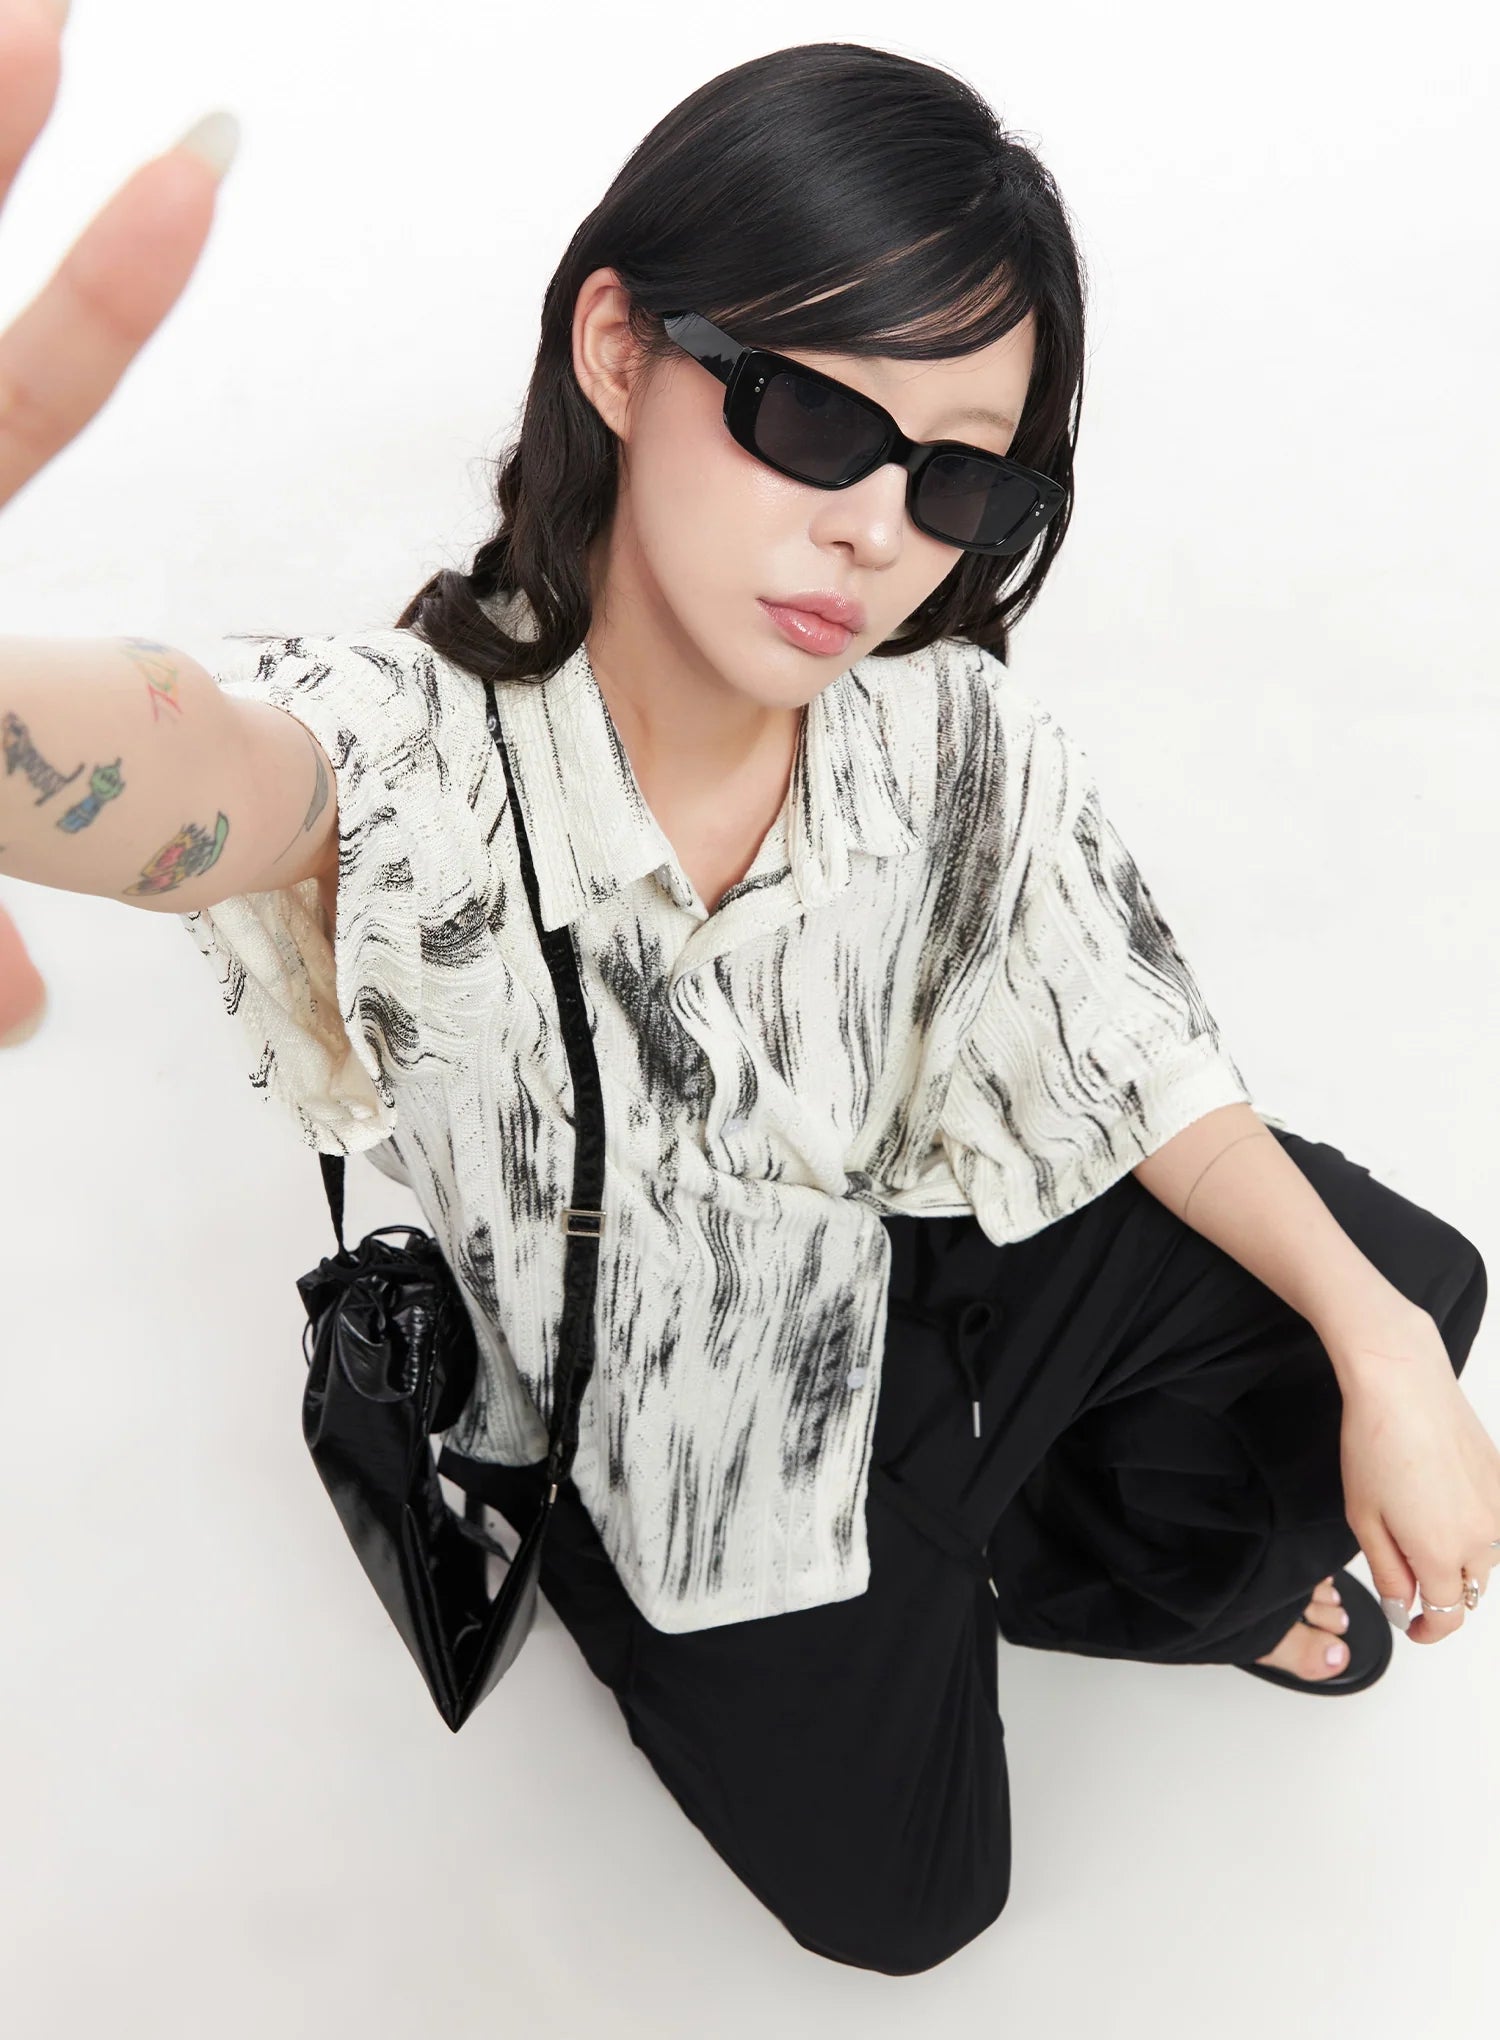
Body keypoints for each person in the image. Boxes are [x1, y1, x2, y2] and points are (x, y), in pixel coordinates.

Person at [1, 13, 1494, 1976]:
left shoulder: (948, 731)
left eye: (960, 482)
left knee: (1413, 1290)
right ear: (621, 349)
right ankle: (758, 1570)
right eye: (812, 417)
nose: (877, 530)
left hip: (919, 1240)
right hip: (681, 1416)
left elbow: (1131, 1049)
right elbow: (212, 766)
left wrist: (1382, 1356)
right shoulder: (427, 766)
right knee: (921, 1899)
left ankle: (1055, 1552)